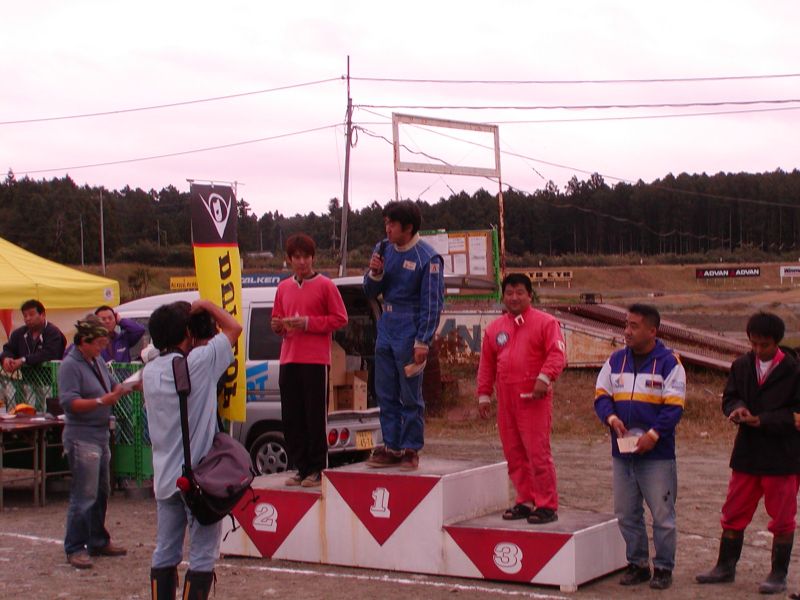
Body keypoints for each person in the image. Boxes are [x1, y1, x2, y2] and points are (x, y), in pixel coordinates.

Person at [143, 299, 241, 600]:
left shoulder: (150, 370)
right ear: (187, 332)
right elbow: (234, 328)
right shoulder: (198, 363)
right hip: (198, 480)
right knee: (202, 555)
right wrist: (208, 305)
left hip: (165, 478)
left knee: (165, 550)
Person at [697, 312, 800, 595]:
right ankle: (725, 566)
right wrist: (737, 409)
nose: (757, 349)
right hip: (747, 453)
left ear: (777, 342)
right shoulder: (741, 365)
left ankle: (778, 574)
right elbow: (729, 397)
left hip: (782, 456)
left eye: (764, 345)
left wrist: (763, 420)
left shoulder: (794, 370)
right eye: (753, 343)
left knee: (782, 517)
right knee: (734, 510)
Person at [593, 304, 686, 591]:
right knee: (626, 513)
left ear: (652, 330)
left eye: (634, 326)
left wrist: (654, 435)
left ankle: (664, 568)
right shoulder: (615, 360)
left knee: (662, 515)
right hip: (622, 453)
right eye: (626, 324)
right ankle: (638, 564)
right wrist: (611, 419)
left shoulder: (670, 364)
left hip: (657, 455)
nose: (627, 331)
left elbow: (674, 407)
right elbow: (601, 395)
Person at [476, 273, 566, 525]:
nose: (514, 298)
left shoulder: (546, 323)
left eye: (519, 293)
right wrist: (484, 394)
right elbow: (487, 364)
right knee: (514, 453)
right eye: (509, 293)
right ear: (503, 296)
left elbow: (557, 354)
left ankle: (546, 504)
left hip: (533, 399)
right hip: (507, 400)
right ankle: (525, 500)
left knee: (537, 452)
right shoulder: (495, 329)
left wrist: (544, 378)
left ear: (529, 295)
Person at [363, 200, 444, 470]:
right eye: (386, 223)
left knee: (410, 394)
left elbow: (432, 303)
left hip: (411, 327)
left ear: (408, 228)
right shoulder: (383, 249)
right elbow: (369, 291)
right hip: (386, 324)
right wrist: (375, 273)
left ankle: (411, 448)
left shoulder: (428, 258)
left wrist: (423, 340)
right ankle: (391, 446)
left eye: (393, 224)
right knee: (385, 391)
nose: (387, 229)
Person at [270, 233, 347, 487]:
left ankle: (317, 468)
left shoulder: (326, 285)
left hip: (315, 360)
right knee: (292, 416)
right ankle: (301, 467)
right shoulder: (283, 287)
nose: (302, 262)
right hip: (288, 358)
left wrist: (308, 323)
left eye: (306, 257)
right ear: (289, 259)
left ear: (313, 258)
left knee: (314, 416)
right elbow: (277, 318)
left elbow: (340, 318)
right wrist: (278, 326)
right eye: (297, 257)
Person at [58, 315, 128, 569]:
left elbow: (112, 385)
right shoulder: (70, 366)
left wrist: (125, 387)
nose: (102, 348)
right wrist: (101, 401)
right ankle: (75, 546)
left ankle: (97, 539)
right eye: (98, 343)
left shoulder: (96, 360)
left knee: (101, 491)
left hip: (100, 433)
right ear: (84, 341)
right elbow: (69, 402)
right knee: (84, 493)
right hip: (81, 436)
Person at [1, 299, 66, 373]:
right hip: (27, 379)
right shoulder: (19, 333)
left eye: (31, 315)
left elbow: (49, 353)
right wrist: (6, 358)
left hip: (52, 378)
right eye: (25, 316)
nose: (28, 318)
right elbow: (8, 349)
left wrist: (24, 360)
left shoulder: (53, 332)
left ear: (42, 315)